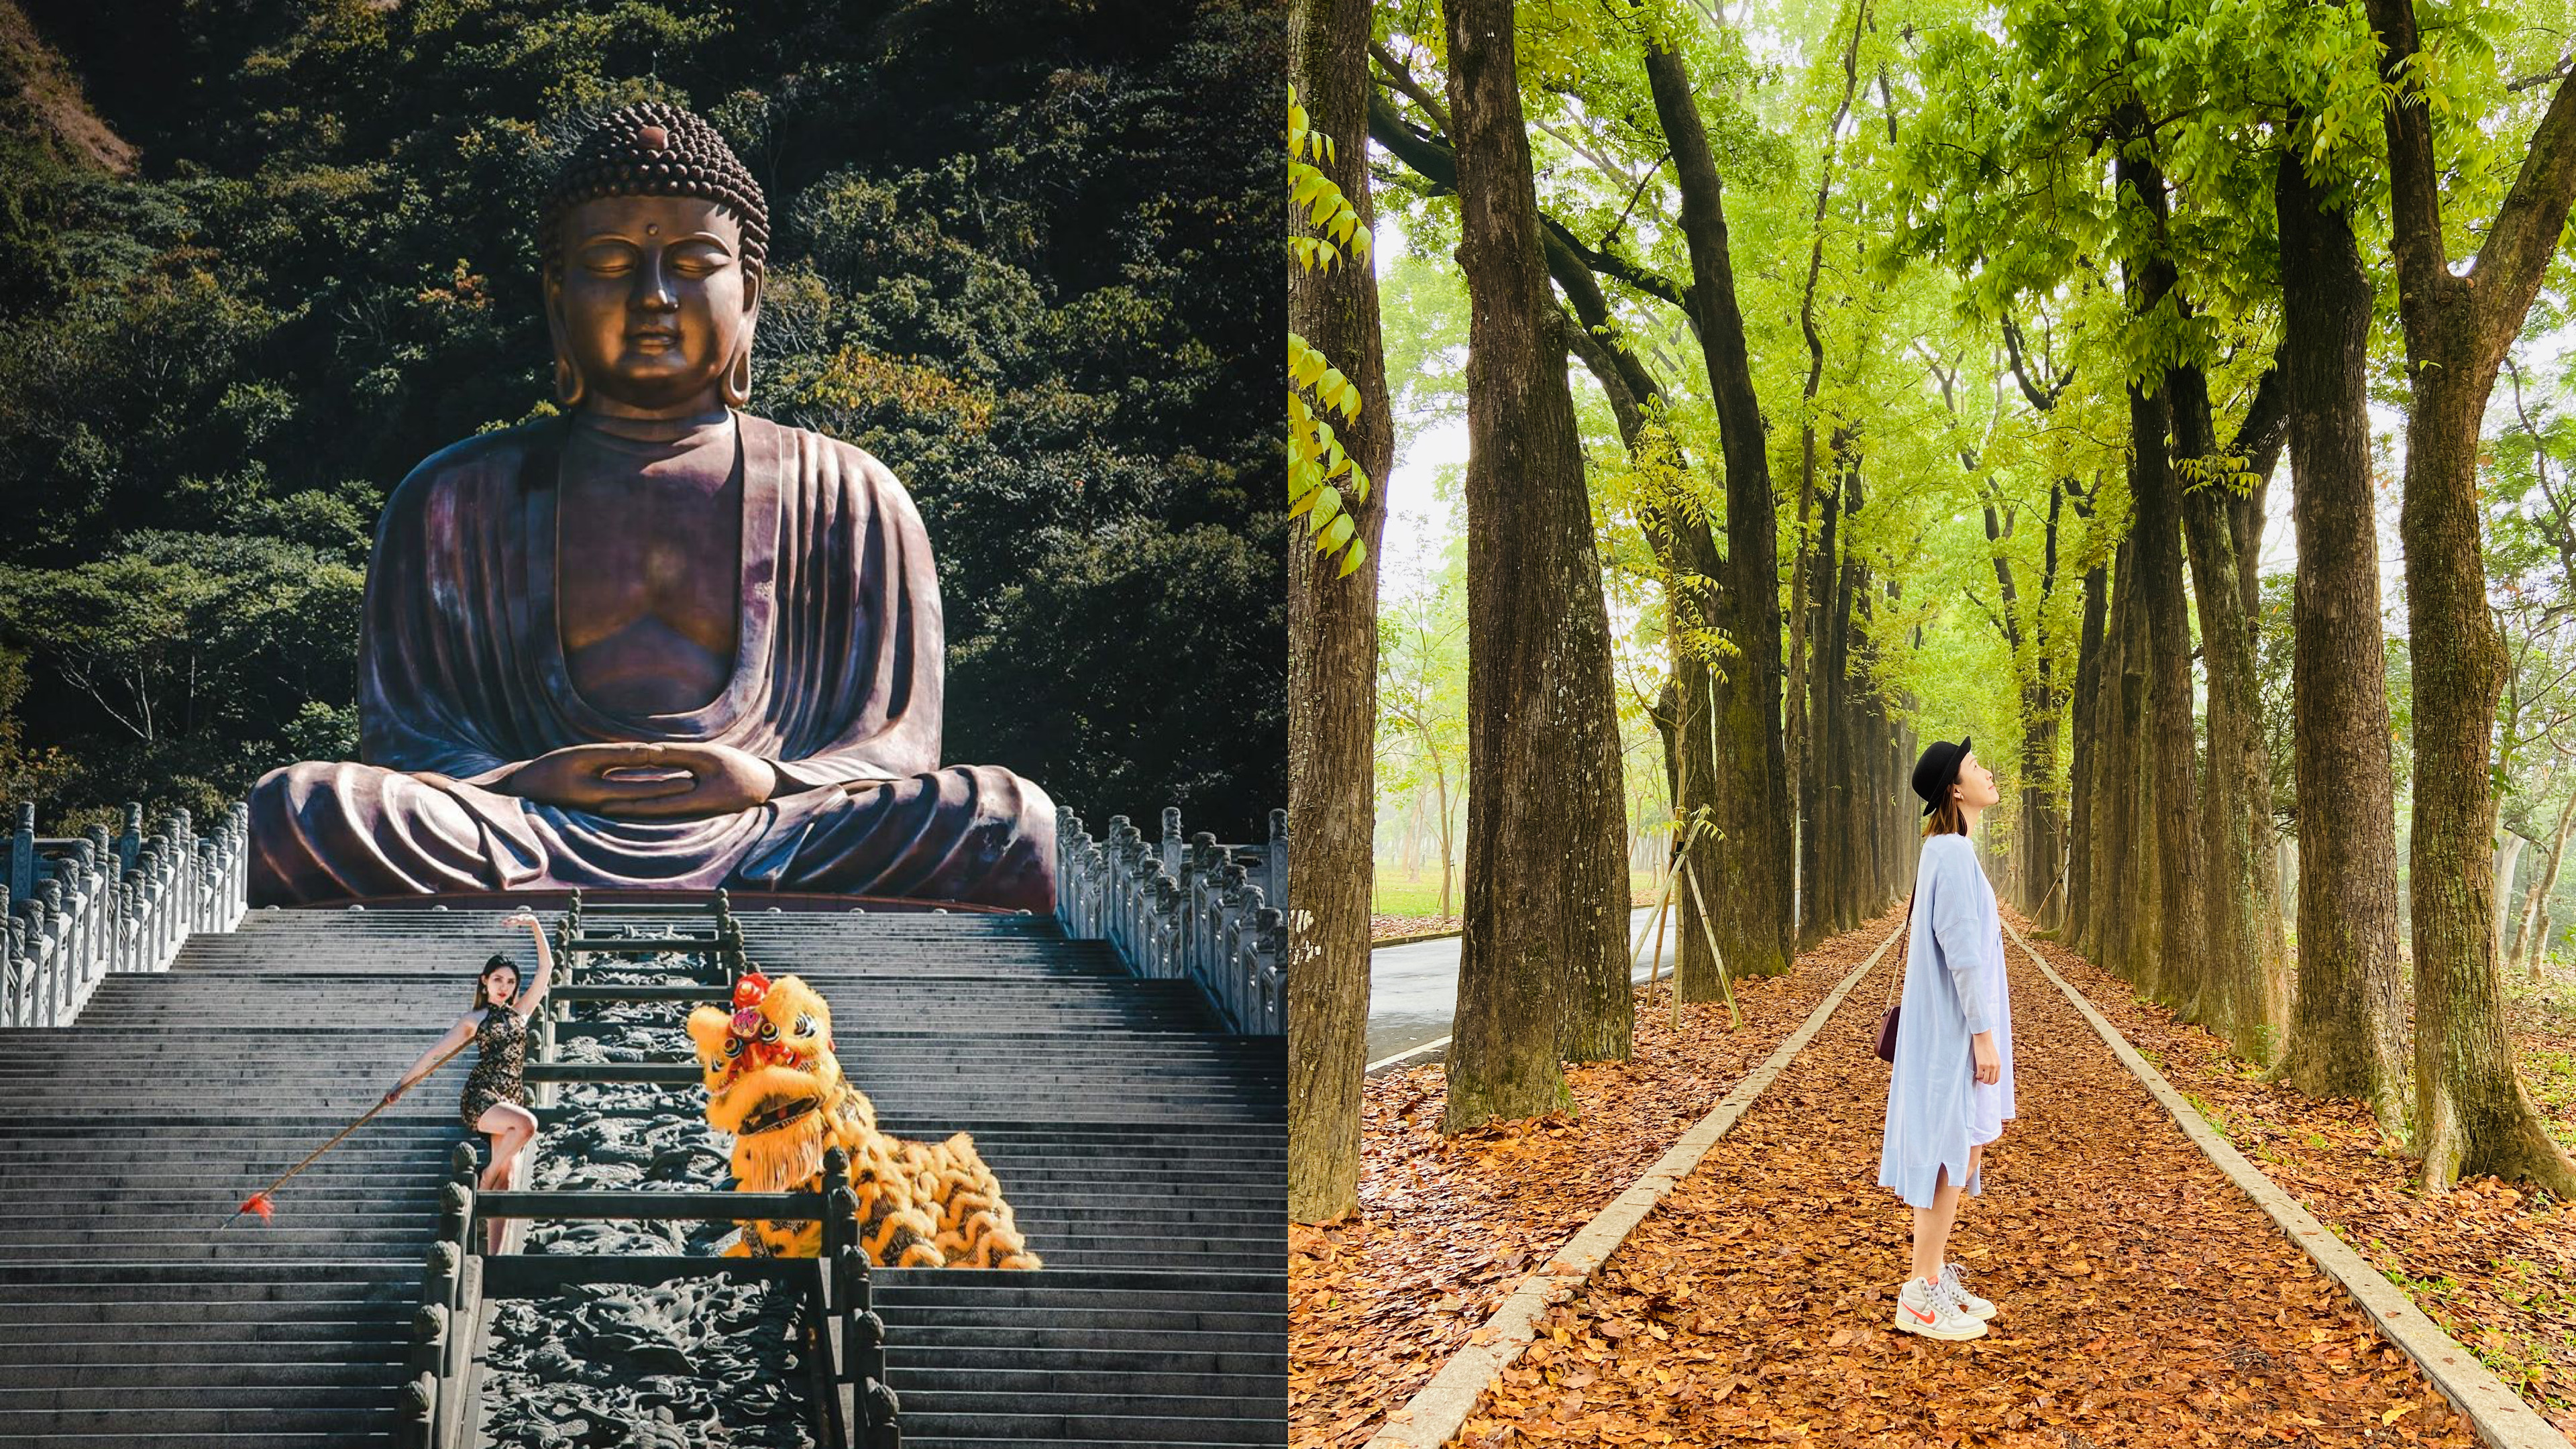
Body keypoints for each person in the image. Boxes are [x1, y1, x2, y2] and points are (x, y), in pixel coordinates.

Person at [1879, 736, 2013, 1341]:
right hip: (1957, 1031)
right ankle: (1920, 1291)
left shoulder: (1946, 850)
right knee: (1949, 1153)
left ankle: (1930, 1278)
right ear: (1956, 791)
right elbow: (1962, 953)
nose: (1988, 772)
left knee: (1962, 1149)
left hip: (1953, 1028)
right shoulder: (1953, 856)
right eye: (1975, 767)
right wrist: (1983, 1038)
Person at [385, 911, 555, 1252]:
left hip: (510, 1098)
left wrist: (535, 925)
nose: (504, 988)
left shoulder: (520, 1014)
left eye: (509, 982)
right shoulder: (474, 1019)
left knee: (507, 1182)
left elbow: (547, 968)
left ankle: (494, 1260)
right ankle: (485, 1175)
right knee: (528, 1125)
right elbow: (434, 1053)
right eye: (498, 980)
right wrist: (402, 1085)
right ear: (484, 981)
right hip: (481, 1097)